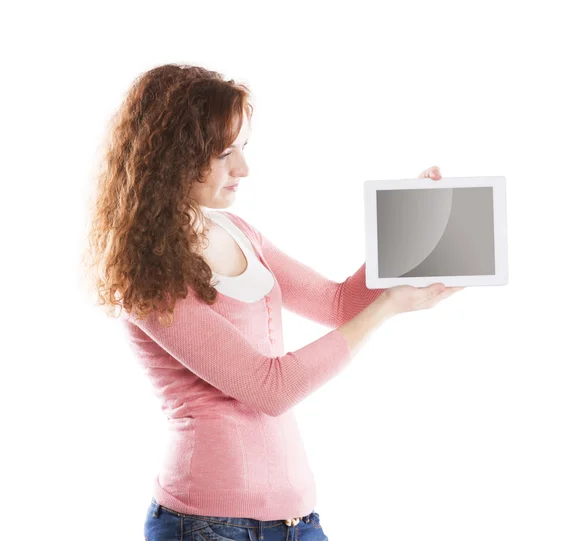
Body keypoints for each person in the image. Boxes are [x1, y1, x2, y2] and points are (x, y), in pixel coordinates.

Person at [82, 63, 463, 541]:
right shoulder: (147, 275)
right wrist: (387, 307)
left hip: (298, 520)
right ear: (172, 157)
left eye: (242, 148)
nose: (243, 169)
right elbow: (271, 388)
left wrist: (407, 228)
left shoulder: (239, 232)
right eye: (224, 154)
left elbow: (340, 303)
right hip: (206, 525)